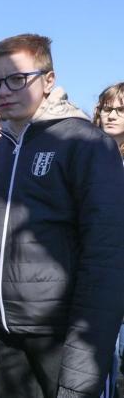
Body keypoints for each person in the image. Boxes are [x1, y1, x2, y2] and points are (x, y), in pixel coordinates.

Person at [0, 34, 124, 398]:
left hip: (62, 332)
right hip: (4, 330)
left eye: (16, 78)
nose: (3, 90)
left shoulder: (85, 143)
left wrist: (85, 358)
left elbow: (106, 255)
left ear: (49, 80)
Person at [93, 83, 124, 397]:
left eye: (120, 110)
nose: (111, 116)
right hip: (98, 279)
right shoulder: (86, 153)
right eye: (106, 108)